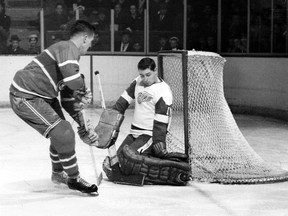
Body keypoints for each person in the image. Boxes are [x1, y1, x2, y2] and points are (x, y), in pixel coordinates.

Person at [9, 20, 99, 194]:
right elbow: (74, 82)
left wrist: (84, 127)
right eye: (91, 42)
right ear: (85, 38)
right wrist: (83, 88)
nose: (90, 46)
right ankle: (73, 178)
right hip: (26, 95)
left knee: (61, 133)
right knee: (63, 131)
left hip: (44, 96)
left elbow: (67, 100)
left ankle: (58, 173)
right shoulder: (68, 48)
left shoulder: (70, 56)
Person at [102, 57, 190, 186]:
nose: (145, 79)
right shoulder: (138, 81)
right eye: (141, 75)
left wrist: (158, 144)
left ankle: (159, 168)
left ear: (155, 71)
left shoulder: (163, 91)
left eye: (148, 75)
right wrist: (110, 119)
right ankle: (145, 162)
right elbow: (123, 102)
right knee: (117, 160)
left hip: (148, 135)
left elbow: (162, 122)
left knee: (128, 160)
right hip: (134, 132)